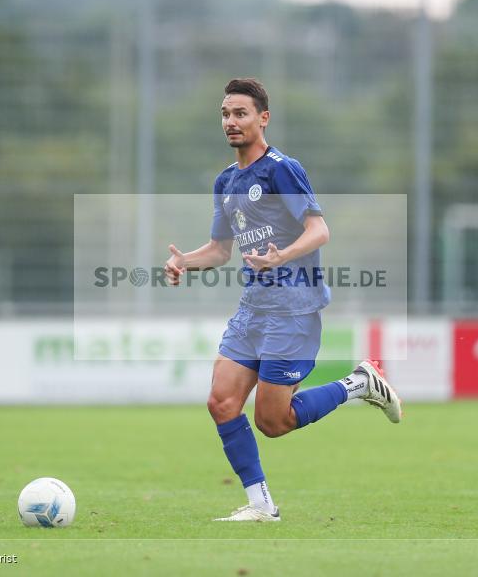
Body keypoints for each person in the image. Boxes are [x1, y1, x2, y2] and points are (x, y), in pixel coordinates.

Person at [164, 78, 402, 522]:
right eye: (225, 114)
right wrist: (184, 263)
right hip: (253, 309)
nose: (231, 122)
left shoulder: (281, 169)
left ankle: (358, 384)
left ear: (262, 118)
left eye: (240, 114)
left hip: (293, 309)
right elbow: (221, 249)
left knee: (273, 422)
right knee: (221, 402)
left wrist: (284, 256)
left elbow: (319, 230)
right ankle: (261, 506)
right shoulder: (226, 181)